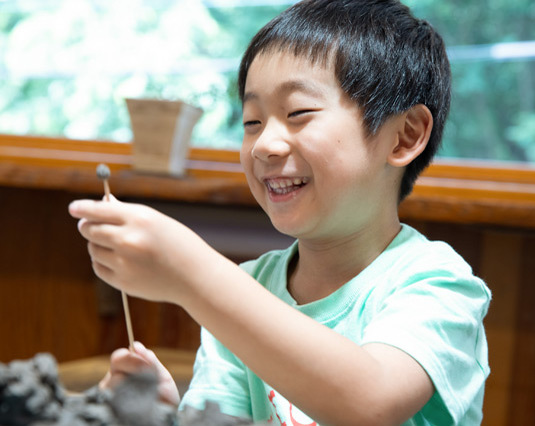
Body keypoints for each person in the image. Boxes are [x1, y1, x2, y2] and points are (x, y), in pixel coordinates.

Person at [69, 0, 491, 424]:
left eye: (299, 113)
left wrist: (192, 275)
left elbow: (370, 402)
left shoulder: (440, 285)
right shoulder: (246, 288)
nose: (265, 144)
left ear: (404, 136)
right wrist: (163, 416)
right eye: (252, 122)